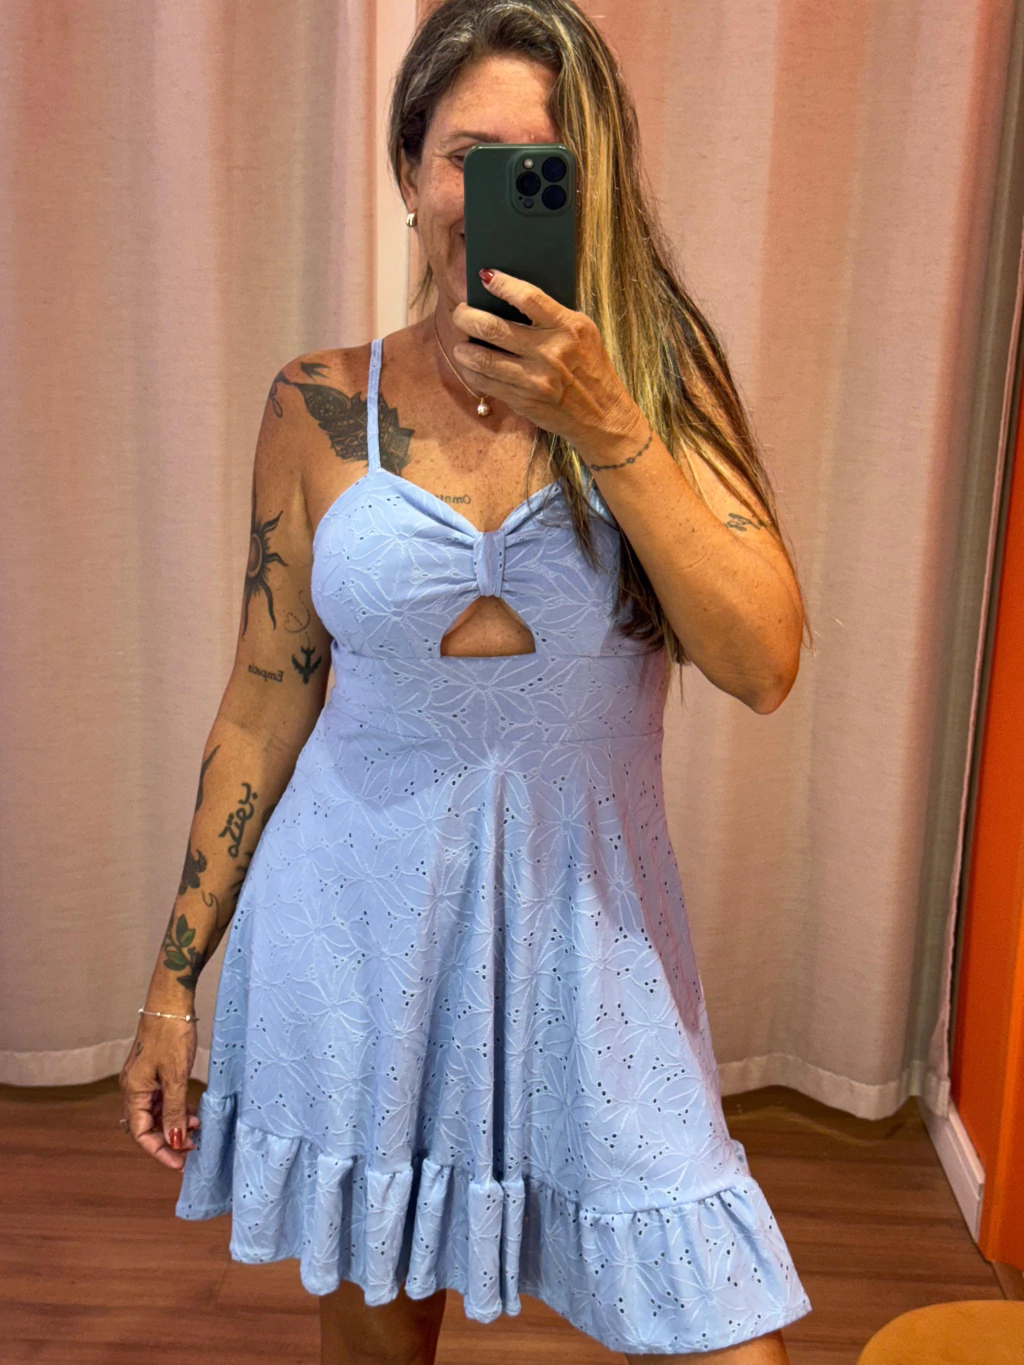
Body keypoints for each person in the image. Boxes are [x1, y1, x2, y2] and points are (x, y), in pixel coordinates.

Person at [119, 1, 814, 1360]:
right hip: (354, 935)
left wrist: (608, 426)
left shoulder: (660, 393)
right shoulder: (319, 403)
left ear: (590, 187)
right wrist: (171, 986)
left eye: (540, 163)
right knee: (379, 1336)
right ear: (409, 169)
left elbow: (762, 662)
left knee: (729, 1333)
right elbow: (262, 704)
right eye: (467, 156)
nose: (495, 192)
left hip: (591, 940)